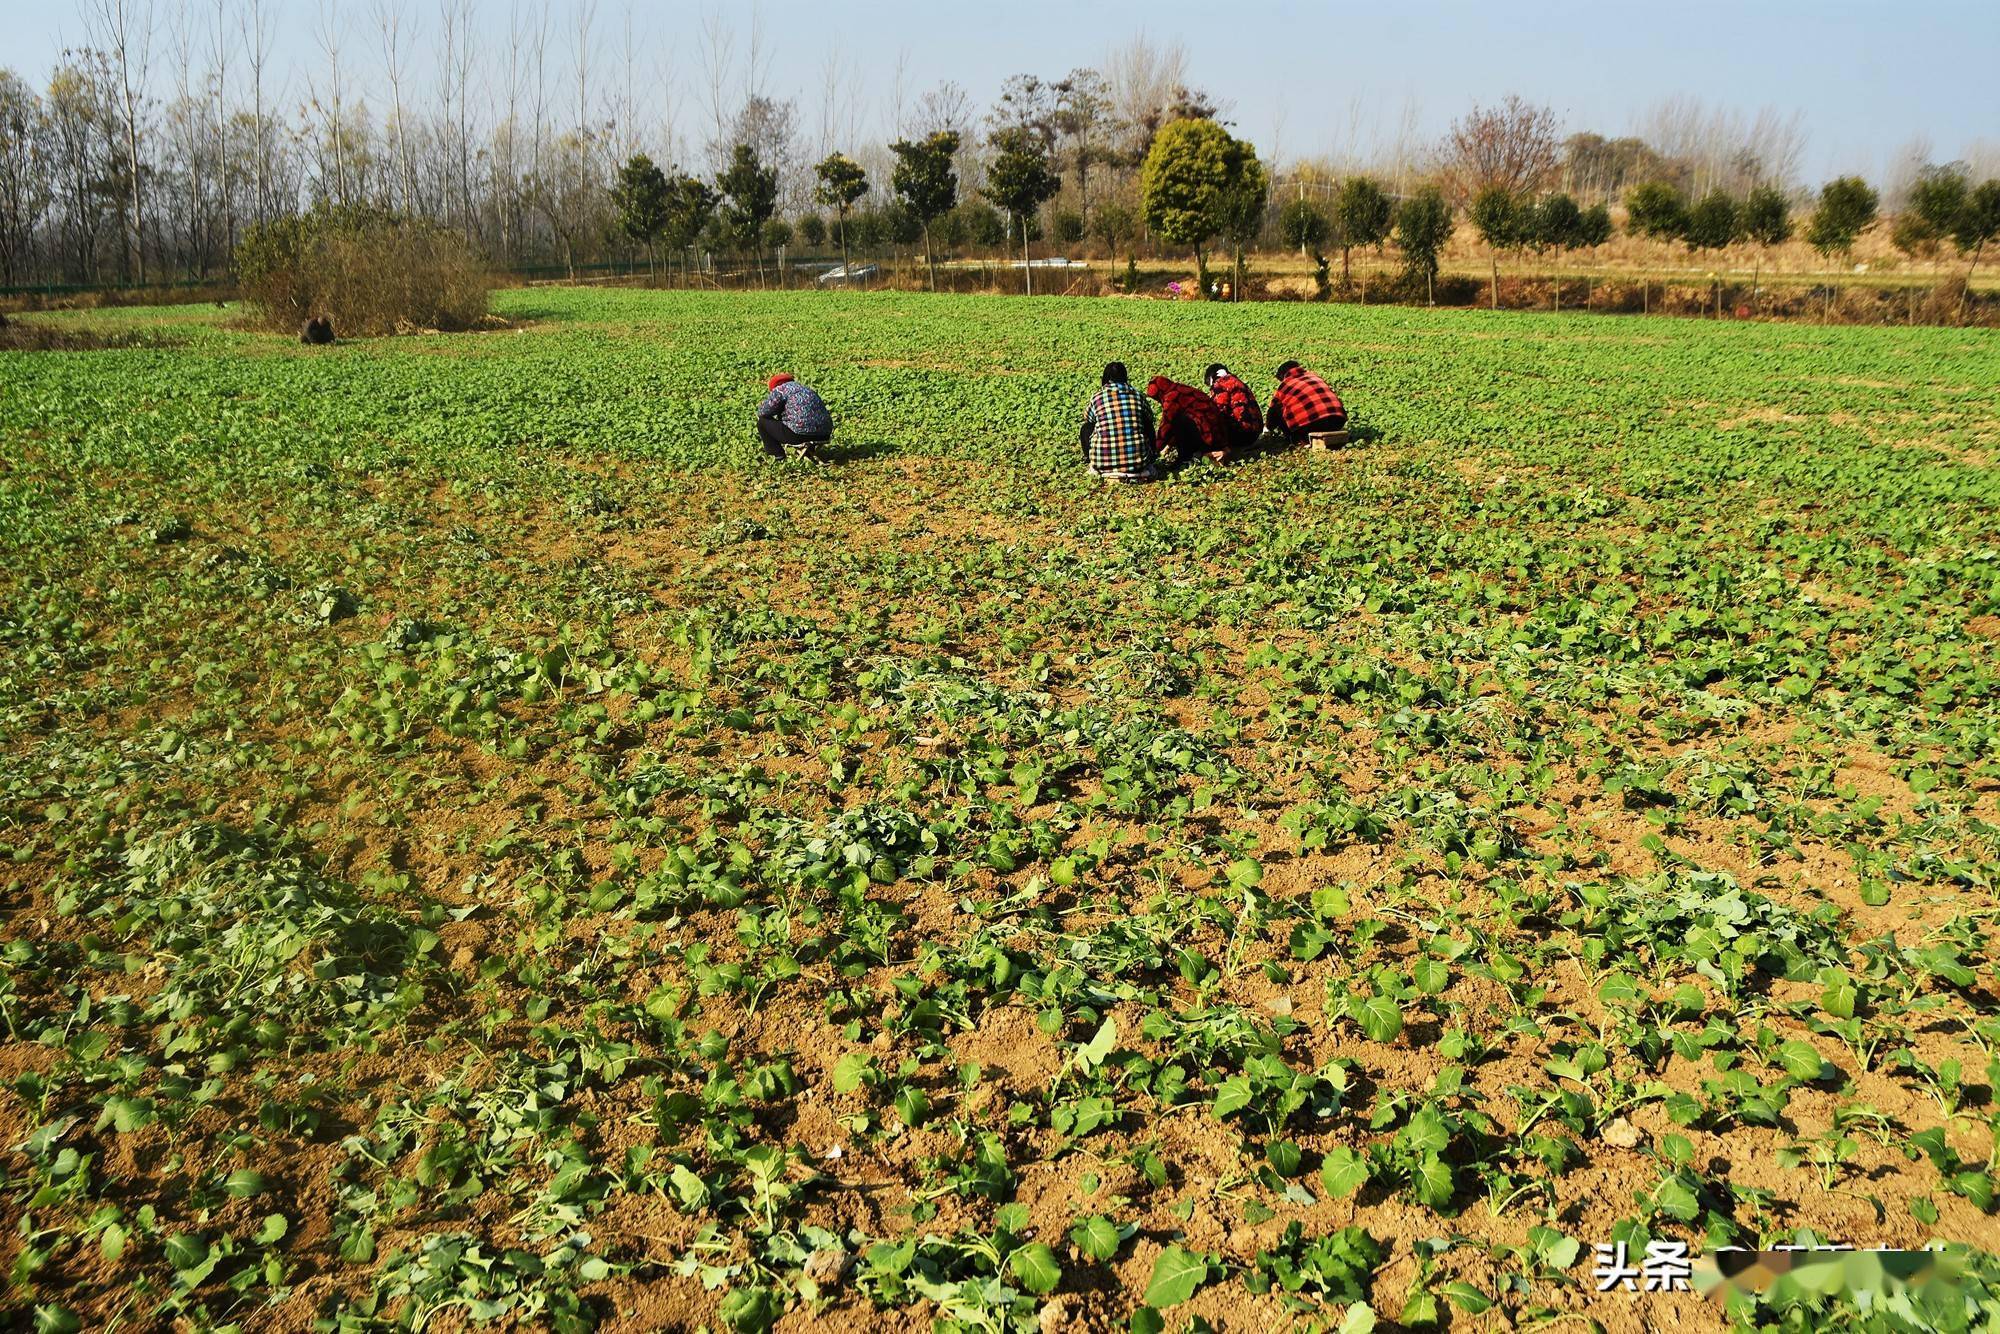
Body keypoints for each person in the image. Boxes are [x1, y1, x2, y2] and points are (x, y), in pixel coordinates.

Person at [1080, 362, 1160, 482]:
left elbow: (1088, 419)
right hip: (1138, 463)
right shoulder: (1137, 395)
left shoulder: (1097, 397)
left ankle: (1093, 465)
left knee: (1086, 428)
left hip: (1102, 462)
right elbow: (1150, 418)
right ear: (1125, 377)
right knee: (1147, 423)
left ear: (1105, 378)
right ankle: (1149, 461)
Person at [1145, 374, 1234, 465]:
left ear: (1159, 393)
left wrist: (1153, 450)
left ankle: (1186, 459)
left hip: (1208, 436)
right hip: (1219, 433)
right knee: (1180, 420)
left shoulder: (1171, 398)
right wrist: (1169, 445)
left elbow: (1166, 427)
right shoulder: (1180, 389)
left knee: (1178, 421)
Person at [1265, 360, 1347, 444]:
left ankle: (1296, 439)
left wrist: (1268, 428)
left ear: (1282, 375)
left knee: (1277, 408)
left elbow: (1273, 411)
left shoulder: (1285, 384)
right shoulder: (1315, 377)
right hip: (1337, 420)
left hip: (1311, 424)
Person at [756, 372, 834, 461]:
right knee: (805, 420)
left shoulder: (781, 390)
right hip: (824, 434)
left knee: (762, 422)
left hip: (799, 435)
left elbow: (764, 412)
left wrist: (763, 406)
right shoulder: (807, 389)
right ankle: (809, 453)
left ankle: (777, 455)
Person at [1203, 363, 1262, 451]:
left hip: (1240, 435)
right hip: (1255, 433)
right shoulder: (1238, 382)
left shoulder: (1220, 384)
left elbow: (1218, 410)